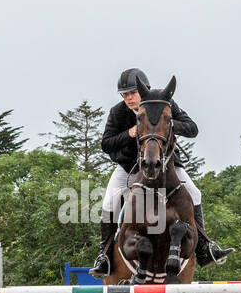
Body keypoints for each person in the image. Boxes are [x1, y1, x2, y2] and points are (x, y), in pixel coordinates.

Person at [90, 68, 233, 278]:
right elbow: (106, 144)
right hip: (129, 167)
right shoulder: (117, 113)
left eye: (132, 93)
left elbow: (192, 128)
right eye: (125, 95)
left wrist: (170, 123)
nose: (129, 98)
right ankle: (104, 256)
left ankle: (204, 247)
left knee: (195, 193)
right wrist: (129, 134)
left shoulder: (165, 103)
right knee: (109, 201)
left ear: (144, 90)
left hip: (166, 165)